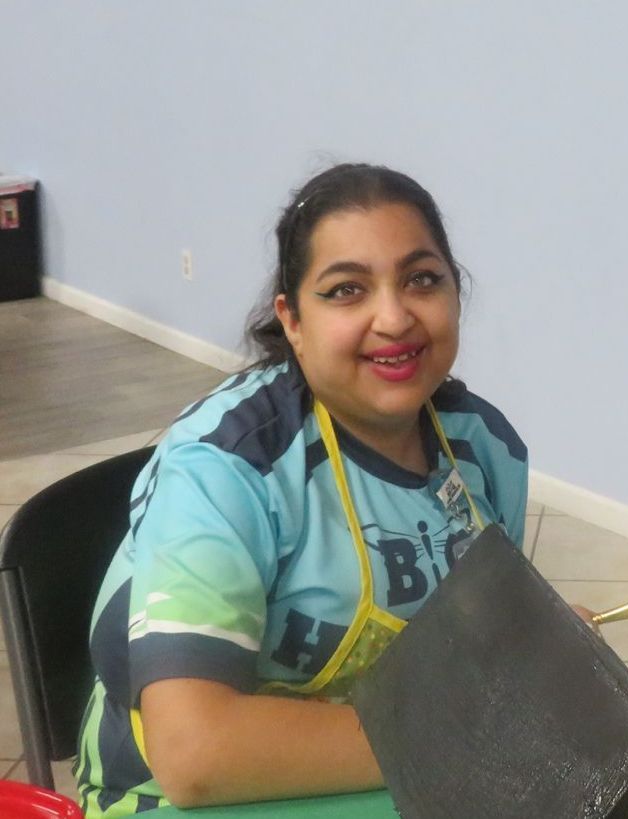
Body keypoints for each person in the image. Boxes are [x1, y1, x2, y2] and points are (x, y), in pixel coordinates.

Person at [75, 164, 529, 816]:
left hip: (379, 779)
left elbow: (478, 651)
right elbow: (194, 753)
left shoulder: (484, 446)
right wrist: (449, 734)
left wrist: (531, 643)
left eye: (422, 279)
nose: (394, 316)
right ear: (291, 319)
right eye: (347, 290)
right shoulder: (228, 466)